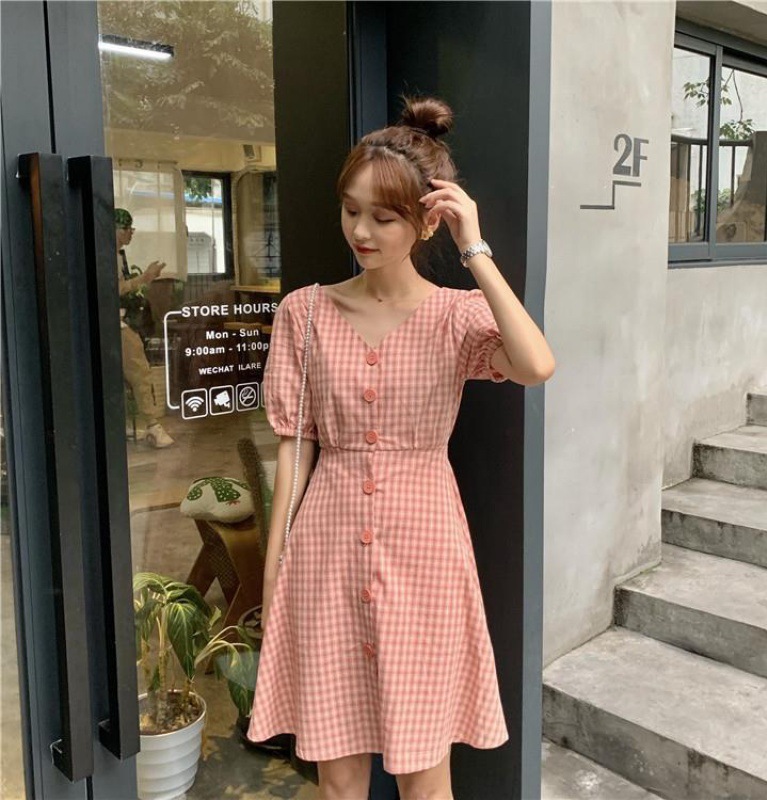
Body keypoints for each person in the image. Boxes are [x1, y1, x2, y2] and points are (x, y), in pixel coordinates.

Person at [246, 95, 556, 799]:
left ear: (426, 221)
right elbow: (294, 452)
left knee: (424, 776)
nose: (360, 230)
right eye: (350, 210)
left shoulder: (457, 317)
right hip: (324, 553)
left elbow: (536, 364)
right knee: (337, 776)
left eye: (383, 217)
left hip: (425, 555)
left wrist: (475, 249)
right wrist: (274, 571)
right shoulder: (305, 313)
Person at [115, 208, 175, 449]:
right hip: (116, 324)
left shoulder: (116, 255)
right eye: (126, 229)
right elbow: (116, 289)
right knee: (139, 369)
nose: (130, 233)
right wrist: (146, 277)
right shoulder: (108, 255)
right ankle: (152, 424)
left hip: (119, 320)